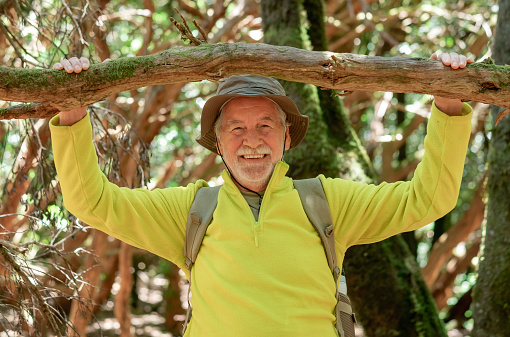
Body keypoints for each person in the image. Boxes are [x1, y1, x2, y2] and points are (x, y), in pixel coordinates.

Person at [50, 52, 473, 337]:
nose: (252, 140)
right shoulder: (193, 210)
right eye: (236, 127)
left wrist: (449, 105)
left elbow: (427, 200)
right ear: (217, 144)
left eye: (266, 126)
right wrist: (71, 114)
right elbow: (94, 202)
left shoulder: (327, 202)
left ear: (287, 137)